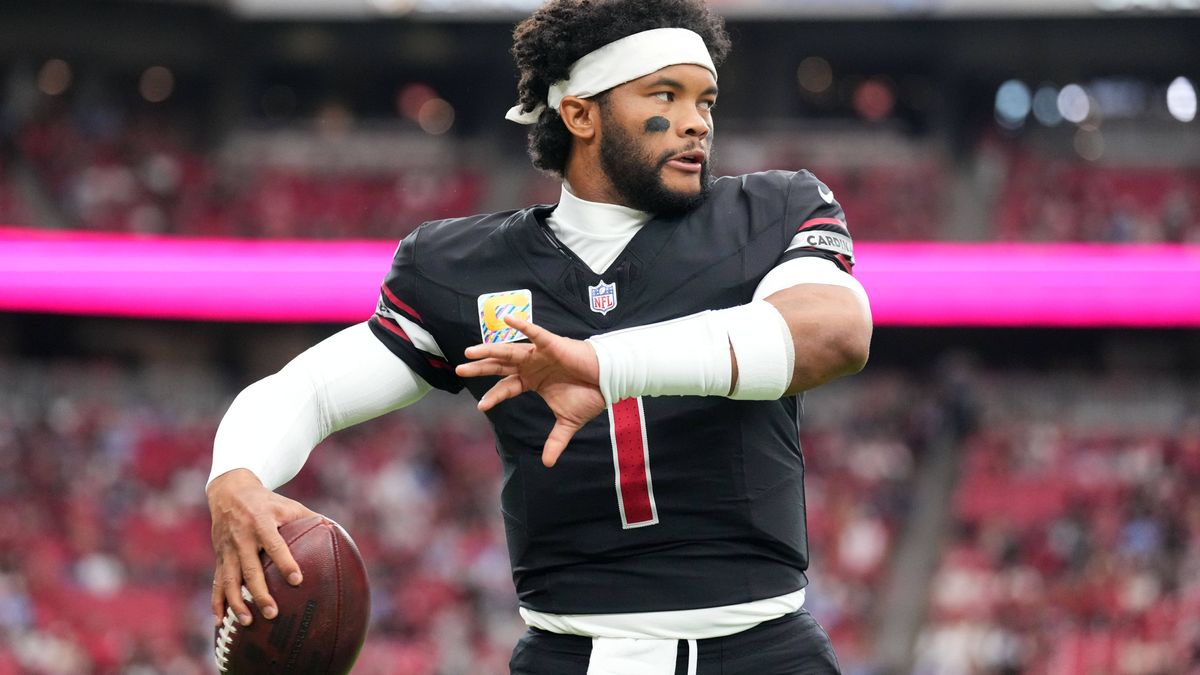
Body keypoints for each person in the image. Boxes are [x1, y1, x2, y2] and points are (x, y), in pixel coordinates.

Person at [206, 0, 872, 672]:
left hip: (760, 648)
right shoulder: (464, 265)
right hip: (565, 653)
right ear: (580, 113)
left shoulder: (770, 210)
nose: (697, 121)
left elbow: (835, 333)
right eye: (665, 94)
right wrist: (236, 474)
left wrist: (603, 362)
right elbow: (312, 389)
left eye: (706, 99)